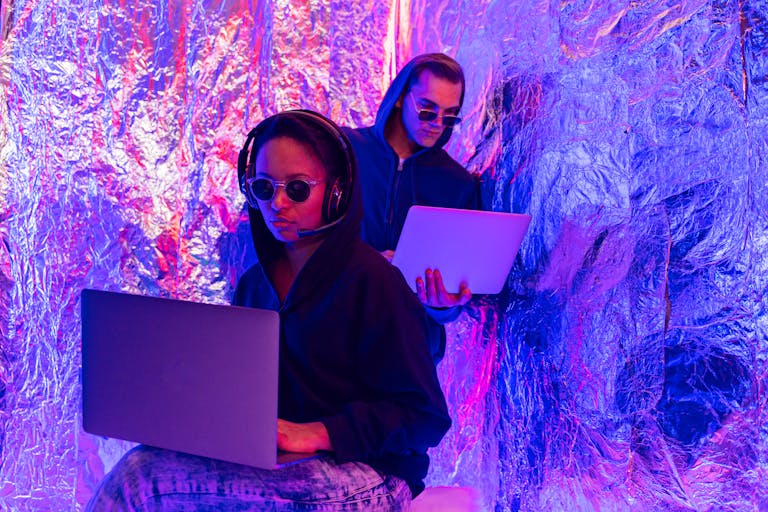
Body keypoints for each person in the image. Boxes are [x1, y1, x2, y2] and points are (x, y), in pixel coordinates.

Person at [84, 110, 451, 511]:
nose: (276, 203)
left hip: (374, 475)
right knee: (149, 459)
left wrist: (318, 433)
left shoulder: (375, 281)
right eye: (263, 187)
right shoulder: (254, 285)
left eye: (296, 189)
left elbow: (423, 417)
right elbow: (251, 400)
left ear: (336, 192)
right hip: (288, 467)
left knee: (141, 480)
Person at [343, 53, 479, 356]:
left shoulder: (457, 185)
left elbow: (448, 301)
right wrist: (366, 264)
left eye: (449, 116)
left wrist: (443, 306)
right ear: (401, 97)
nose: (437, 125)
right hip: (334, 337)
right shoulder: (344, 151)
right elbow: (303, 243)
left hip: (409, 356)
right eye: (427, 111)